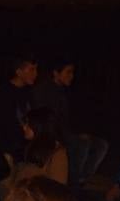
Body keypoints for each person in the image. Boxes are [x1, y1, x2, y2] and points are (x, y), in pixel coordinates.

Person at [32, 56, 109, 188]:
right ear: (56, 73)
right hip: (52, 134)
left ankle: (81, 179)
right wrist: (66, 136)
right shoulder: (44, 90)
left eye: (72, 72)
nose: (71, 76)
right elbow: (47, 120)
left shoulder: (64, 91)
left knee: (101, 145)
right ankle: (73, 182)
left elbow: (69, 119)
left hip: (66, 133)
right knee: (82, 144)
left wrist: (78, 132)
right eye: (68, 72)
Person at [0, 53, 38, 162]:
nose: (35, 74)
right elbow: (1, 125)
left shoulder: (29, 93)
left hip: (25, 149)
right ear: (19, 72)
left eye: (36, 70)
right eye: (31, 70)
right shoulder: (3, 93)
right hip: (8, 151)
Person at [11, 107, 69, 186]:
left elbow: (57, 189)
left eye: (28, 124)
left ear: (39, 126)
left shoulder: (58, 154)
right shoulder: (31, 147)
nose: (24, 127)